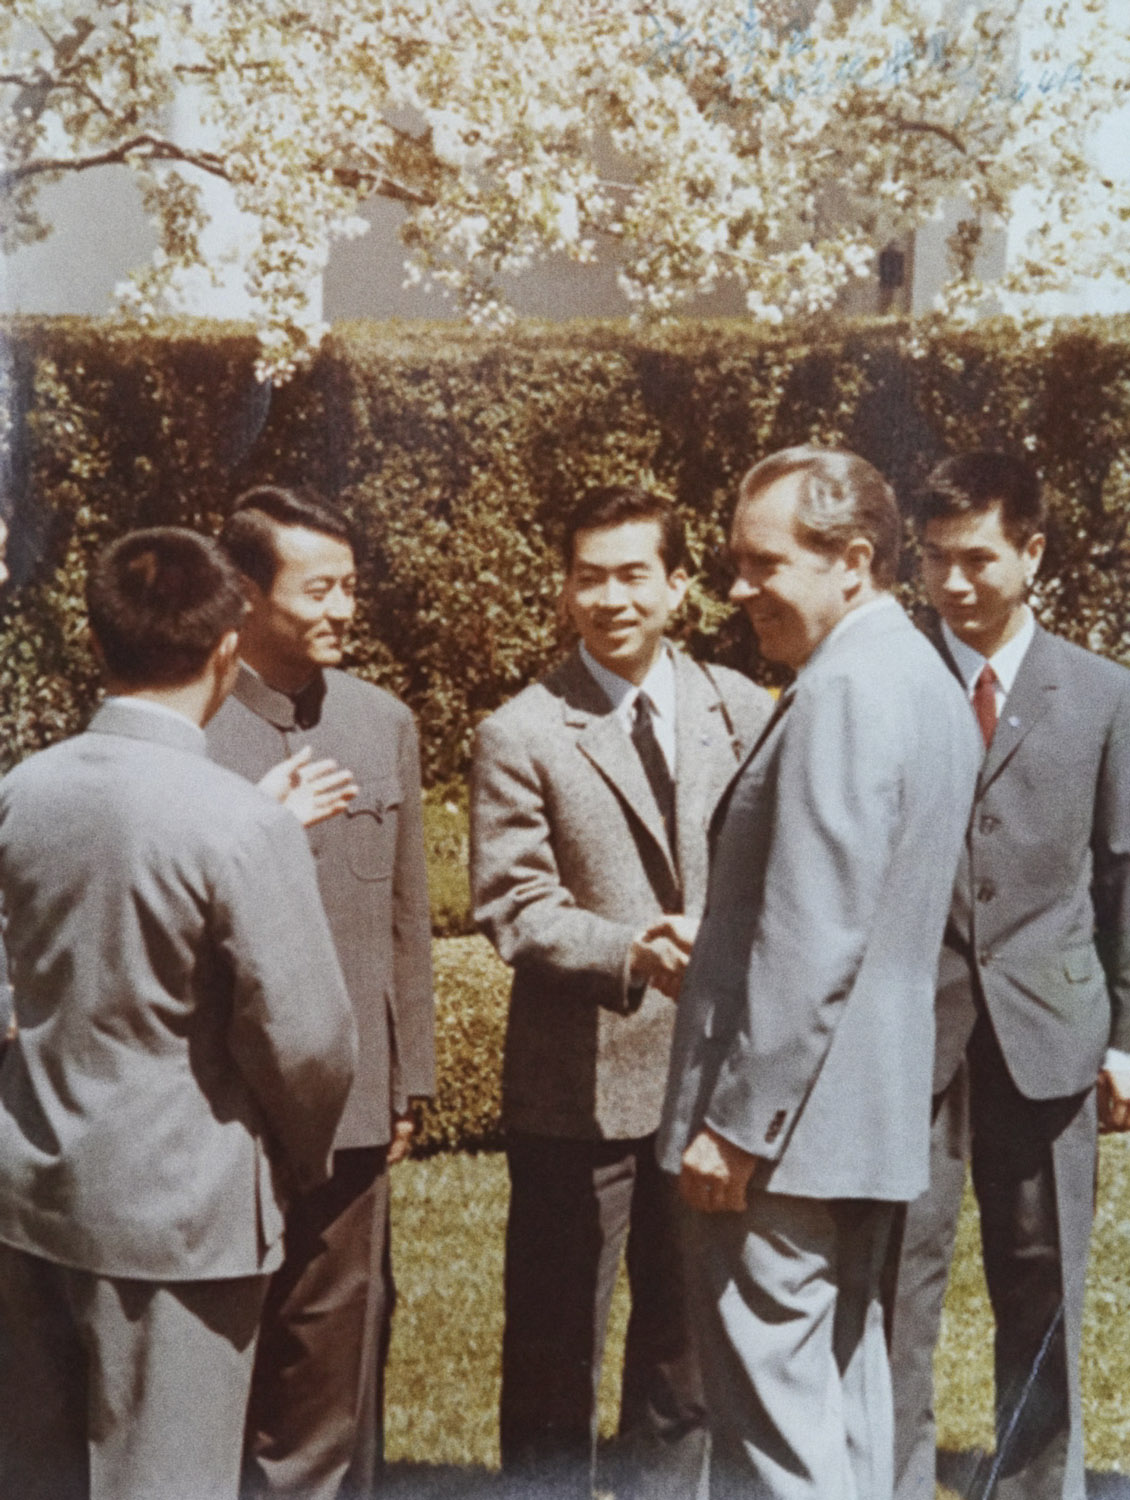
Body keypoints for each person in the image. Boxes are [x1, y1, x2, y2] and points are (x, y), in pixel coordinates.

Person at [0, 527, 357, 1500]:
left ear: (97, 641)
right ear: (225, 649)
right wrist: (297, 1157)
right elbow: (312, 1044)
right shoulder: (241, 822)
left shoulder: (23, 791)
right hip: (182, 1224)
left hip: (33, 1204)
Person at [658, 446, 982, 1500]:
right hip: (863, 1126)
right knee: (841, 1418)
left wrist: (735, 1126)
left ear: (851, 560)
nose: (736, 589)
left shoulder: (843, 689)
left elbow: (816, 934)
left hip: (781, 1143)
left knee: (775, 1447)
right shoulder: (919, 674)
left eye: (762, 564)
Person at [470, 484, 773, 1498]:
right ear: (563, 591)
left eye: (632, 574)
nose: (609, 598)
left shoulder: (747, 709)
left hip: (710, 1080)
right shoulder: (521, 730)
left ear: (679, 586)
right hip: (580, 1086)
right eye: (587, 577)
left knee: (683, 1339)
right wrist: (628, 949)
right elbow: (513, 904)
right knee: (556, 1336)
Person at [888, 451, 1130, 1500]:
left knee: (1044, 1285)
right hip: (907, 1043)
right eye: (933, 561)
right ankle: (880, 1482)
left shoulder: (1104, 695)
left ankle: (1039, 1484)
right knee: (896, 1282)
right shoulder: (881, 678)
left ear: (1031, 552)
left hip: (1050, 1038)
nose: (952, 584)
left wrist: (1121, 1039)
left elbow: (1122, 881)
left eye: (976, 559)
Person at [207, 484, 435, 1500]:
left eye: (350, 586)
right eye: (319, 589)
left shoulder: (380, 720)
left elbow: (404, 918)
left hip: (348, 1102)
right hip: (224, 1106)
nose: (343, 608)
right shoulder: (194, 735)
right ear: (244, 597)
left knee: (334, 1355)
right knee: (222, 1350)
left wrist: (409, 1080)